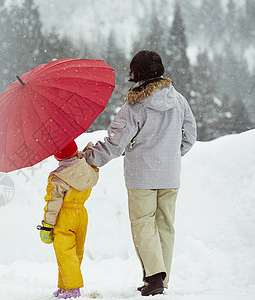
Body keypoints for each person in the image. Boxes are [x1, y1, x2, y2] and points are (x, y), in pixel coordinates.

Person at [82, 50, 197, 296]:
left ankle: (154, 277)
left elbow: (115, 143)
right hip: (170, 175)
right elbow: (191, 136)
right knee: (165, 225)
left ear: (137, 75)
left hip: (141, 176)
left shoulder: (134, 106)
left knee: (144, 224)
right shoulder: (179, 100)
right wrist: (172, 154)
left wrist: (89, 156)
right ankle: (160, 280)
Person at [37, 140, 99, 299]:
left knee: (65, 254)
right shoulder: (85, 169)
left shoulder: (58, 178)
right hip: (81, 214)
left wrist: (47, 226)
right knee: (76, 253)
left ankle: (72, 288)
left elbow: (53, 204)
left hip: (64, 218)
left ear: (57, 157)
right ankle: (64, 286)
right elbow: (94, 174)